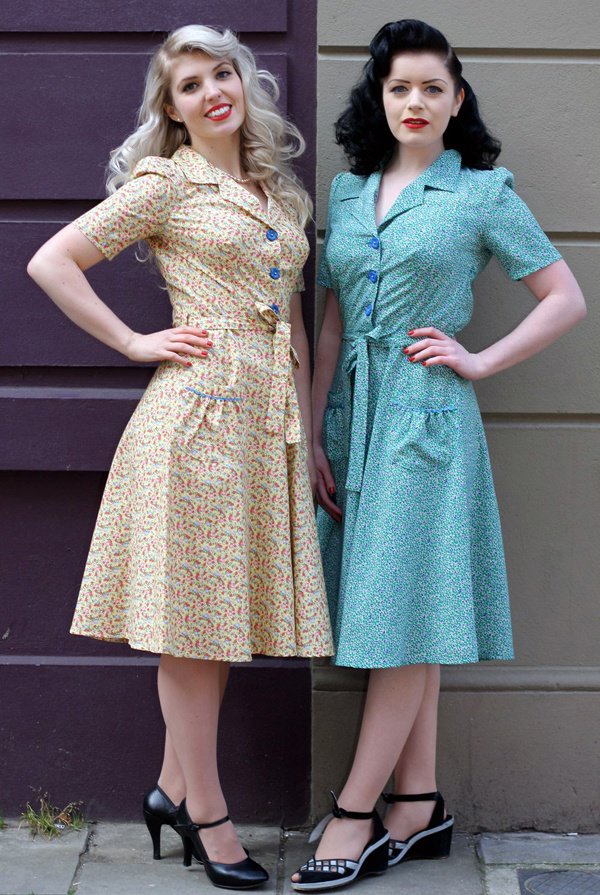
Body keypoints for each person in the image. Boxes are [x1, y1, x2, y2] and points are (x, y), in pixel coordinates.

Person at [27, 24, 333, 891]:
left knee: (218, 624)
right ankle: (207, 813)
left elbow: (296, 327)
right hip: (196, 420)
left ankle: (168, 789)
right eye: (188, 84)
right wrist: (132, 339)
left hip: (264, 425)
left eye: (221, 73)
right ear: (171, 108)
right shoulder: (165, 183)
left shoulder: (277, 192)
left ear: (244, 83)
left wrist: (307, 434)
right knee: (196, 632)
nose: (211, 92)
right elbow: (53, 260)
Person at [291, 18, 586, 892]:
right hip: (356, 420)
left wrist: (478, 359)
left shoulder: (484, 193)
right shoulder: (348, 194)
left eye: (431, 88)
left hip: (426, 421)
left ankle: (355, 811)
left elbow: (563, 296)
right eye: (398, 88)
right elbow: (334, 318)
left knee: (399, 614)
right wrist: (314, 431)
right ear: (378, 101)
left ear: (457, 100)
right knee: (399, 609)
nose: (414, 102)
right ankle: (417, 806)